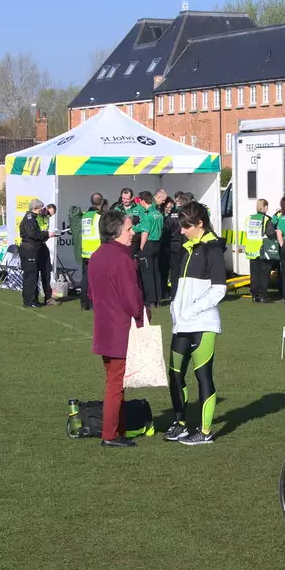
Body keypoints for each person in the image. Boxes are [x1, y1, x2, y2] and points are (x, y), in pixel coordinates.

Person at [165, 203, 228, 445]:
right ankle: (180, 424)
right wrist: (175, 309)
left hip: (203, 324)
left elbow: (219, 289)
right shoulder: (188, 248)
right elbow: (182, 289)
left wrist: (192, 310)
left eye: (186, 226)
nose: (182, 231)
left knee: (203, 375)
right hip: (181, 325)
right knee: (175, 374)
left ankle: (205, 431)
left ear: (200, 224)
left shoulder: (212, 249)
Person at [88, 209, 148, 448]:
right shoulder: (122, 259)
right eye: (129, 229)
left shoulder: (96, 256)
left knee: (115, 382)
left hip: (104, 327)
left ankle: (117, 430)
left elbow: (91, 293)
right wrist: (143, 318)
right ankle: (110, 434)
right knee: (116, 384)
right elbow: (132, 299)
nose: (132, 233)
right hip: (119, 330)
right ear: (116, 231)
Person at [133, 190, 165, 306]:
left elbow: (145, 232)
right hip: (157, 244)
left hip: (148, 244)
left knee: (147, 273)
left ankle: (150, 299)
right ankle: (158, 298)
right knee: (156, 271)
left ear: (142, 201)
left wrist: (141, 247)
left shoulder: (147, 215)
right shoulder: (159, 214)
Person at [244, 198, 277, 302]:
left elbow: (246, 233)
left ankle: (254, 295)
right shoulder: (266, 219)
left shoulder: (249, 218)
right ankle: (263, 295)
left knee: (254, 274)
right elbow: (270, 233)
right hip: (262, 249)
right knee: (264, 273)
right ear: (265, 207)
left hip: (250, 249)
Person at [18, 198, 49, 308]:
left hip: (31, 249)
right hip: (29, 250)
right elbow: (34, 235)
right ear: (36, 209)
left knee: (33, 275)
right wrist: (47, 234)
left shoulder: (32, 218)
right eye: (41, 208)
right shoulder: (30, 219)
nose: (42, 211)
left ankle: (33, 300)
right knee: (30, 276)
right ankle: (29, 301)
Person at [78, 193, 106, 311]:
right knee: (97, 279)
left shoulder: (85, 215)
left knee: (85, 278)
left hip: (85, 251)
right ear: (102, 203)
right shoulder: (99, 216)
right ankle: (95, 302)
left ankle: (84, 303)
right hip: (97, 250)